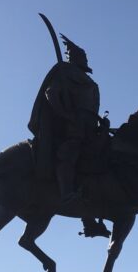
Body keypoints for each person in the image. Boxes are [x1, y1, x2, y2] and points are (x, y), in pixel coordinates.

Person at [28, 31, 109, 237]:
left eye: (84, 56)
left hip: (89, 127)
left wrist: (101, 123)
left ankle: (91, 214)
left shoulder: (91, 82)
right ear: (73, 58)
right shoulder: (64, 71)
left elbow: (92, 107)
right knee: (70, 152)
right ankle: (66, 194)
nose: (84, 59)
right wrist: (66, 115)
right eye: (80, 56)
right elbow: (51, 94)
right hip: (68, 126)